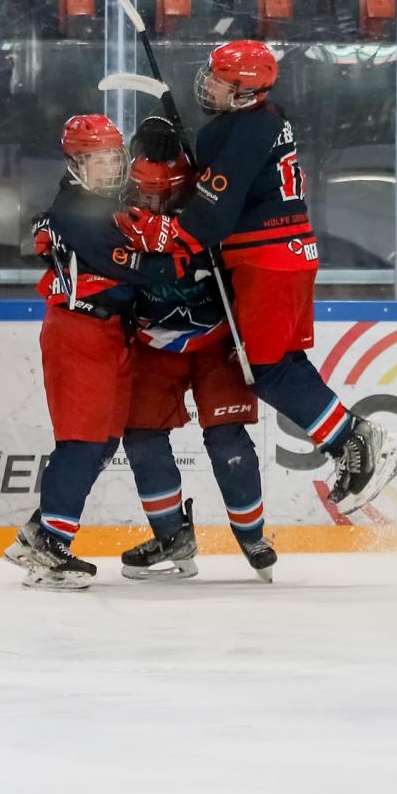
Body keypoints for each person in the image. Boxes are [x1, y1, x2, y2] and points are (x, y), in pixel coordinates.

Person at [114, 40, 397, 519]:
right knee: (285, 361)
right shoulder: (261, 121)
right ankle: (349, 441)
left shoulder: (242, 131)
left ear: (246, 94)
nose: (207, 85)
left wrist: (156, 230)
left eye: (220, 82)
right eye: (210, 74)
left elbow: (209, 222)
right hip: (289, 254)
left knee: (265, 369)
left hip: (266, 260)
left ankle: (355, 439)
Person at [4, 114, 191, 590]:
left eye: (113, 157)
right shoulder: (77, 212)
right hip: (79, 333)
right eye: (95, 159)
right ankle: (49, 545)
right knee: (82, 442)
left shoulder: (102, 204)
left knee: (104, 442)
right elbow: (150, 272)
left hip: (112, 336)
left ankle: (38, 532)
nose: (108, 167)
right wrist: (180, 257)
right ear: (73, 163)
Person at [115, 118, 277, 583]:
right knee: (143, 439)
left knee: (228, 439)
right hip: (150, 344)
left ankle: (252, 536)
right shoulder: (114, 209)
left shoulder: (212, 208)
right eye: (147, 197)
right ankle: (171, 536)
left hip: (217, 341)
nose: (157, 206)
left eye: (168, 197)